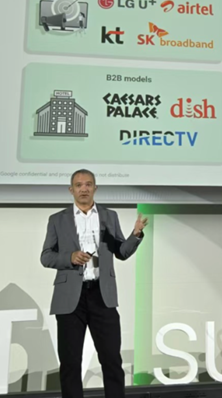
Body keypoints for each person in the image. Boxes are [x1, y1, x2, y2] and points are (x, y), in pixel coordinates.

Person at [41, 169, 148, 398]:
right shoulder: (57, 220)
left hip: (102, 294)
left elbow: (121, 252)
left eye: (88, 184)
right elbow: (46, 256)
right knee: (70, 363)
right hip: (70, 298)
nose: (84, 189)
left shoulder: (109, 216)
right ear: (71, 190)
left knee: (111, 359)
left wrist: (136, 234)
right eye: (79, 185)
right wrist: (70, 257)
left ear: (95, 188)